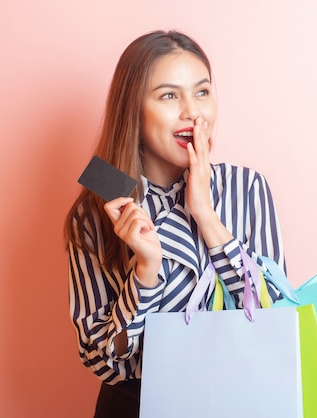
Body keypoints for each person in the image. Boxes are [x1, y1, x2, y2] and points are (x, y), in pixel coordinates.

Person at [64, 30, 287, 418]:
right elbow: (103, 362)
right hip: (137, 406)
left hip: (239, 401)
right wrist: (145, 274)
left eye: (202, 92)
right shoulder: (97, 210)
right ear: (133, 109)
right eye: (169, 96)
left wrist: (206, 217)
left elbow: (276, 320)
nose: (193, 111)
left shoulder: (246, 188)